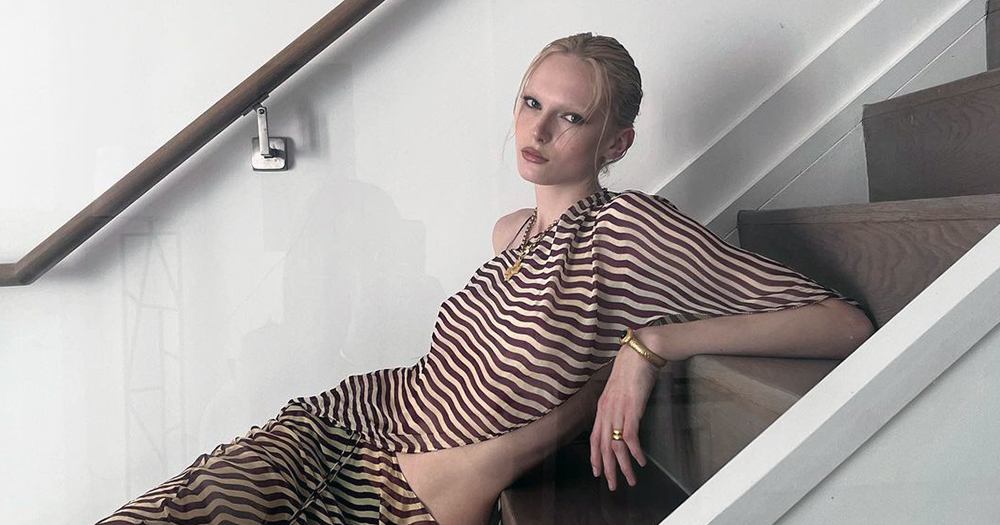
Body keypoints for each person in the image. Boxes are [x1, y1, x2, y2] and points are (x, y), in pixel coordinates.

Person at [95, 33, 873, 525]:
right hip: (336, 427)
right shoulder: (509, 232)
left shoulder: (630, 227)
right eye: (530, 102)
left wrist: (649, 345)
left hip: (396, 497)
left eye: (569, 117)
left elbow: (843, 324)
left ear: (617, 139)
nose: (535, 130)